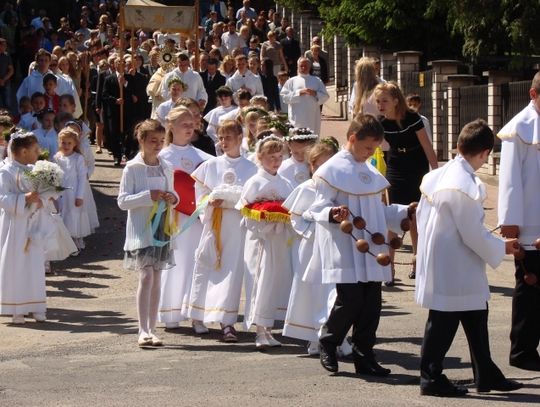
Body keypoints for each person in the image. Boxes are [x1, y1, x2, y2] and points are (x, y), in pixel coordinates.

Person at [416, 119, 522, 396]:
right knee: (443, 319)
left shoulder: (441, 174)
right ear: (485, 153)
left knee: (476, 312)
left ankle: (486, 373)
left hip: (450, 258)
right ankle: (430, 377)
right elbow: (472, 233)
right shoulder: (464, 183)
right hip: (456, 262)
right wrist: (502, 247)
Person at [312, 114, 410, 376]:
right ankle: (329, 341)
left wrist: (404, 212)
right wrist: (333, 213)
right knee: (350, 301)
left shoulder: (369, 171)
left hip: (372, 249)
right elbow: (317, 208)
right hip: (347, 245)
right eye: (367, 147)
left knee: (371, 306)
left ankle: (365, 356)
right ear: (353, 138)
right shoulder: (330, 171)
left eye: (374, 148)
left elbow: (378, 211)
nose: (370, 153)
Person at [188, 120, 257, 342]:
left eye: (228, 137)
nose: (224, 142)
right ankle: (198, 315)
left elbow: (253, 197)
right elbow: (200, 192)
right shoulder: (211, 165)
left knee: (232, 272)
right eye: (221, 137)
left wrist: (235, 201)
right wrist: (209, 203)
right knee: (206, 265)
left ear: (239, 138)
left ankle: (227, 322)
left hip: (237, 226)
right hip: (214, 222)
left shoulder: (251, 168)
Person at [118, 119, 178, 347]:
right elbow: (123, 201)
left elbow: (173, 194)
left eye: (161, 141)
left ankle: (152, 329)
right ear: (141, 140)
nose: (158, 145)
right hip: (141, 230)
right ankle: (142, 329)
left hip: (162, 228)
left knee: (157, 277)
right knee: (146, 276)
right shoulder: (132, 168)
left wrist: (172, 198)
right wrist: (148, 196)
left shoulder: (166, 166)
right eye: (153, 140)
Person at [498, 71, 540, 372]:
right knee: (530, 285)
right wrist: (510, 222)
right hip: (529, 221)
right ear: (533, 95)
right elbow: (509, 179)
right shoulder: (519, 129)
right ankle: (522, 350)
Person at [282, 137, 341, 355]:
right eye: (317, 165)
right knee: (313, 291)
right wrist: (313, 226)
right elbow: (296, 218)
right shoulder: (306, 189)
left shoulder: (340, 189)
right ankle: (314, 337)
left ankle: (337, 337)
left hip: (335, 248)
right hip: (311, 248)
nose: (321, 170)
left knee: (335, 292)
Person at [374, 82, 438, 281]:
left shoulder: (412, 118)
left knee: (415, 217)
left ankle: (416, 262)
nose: (380, 105)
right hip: (395, 165)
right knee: (393, 215)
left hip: (416, 165)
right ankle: (389, 267)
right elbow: (372, 146)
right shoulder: (380, 122)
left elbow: (427, 146)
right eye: (378, 101)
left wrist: (437, 175)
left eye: (384, 101)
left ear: (396, 101)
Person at [158, 106, 213, 330]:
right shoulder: (161, 156)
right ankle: (170, 311)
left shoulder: (204, 157)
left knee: (197, 263)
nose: (189, 129)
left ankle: (197, 314)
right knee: (174, 262)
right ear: (171, 126)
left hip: (196, 219)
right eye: (184, 125)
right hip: (172, 218)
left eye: (192, 124)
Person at [237, 135, 294, 348]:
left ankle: (269, 329)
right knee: (261, 280)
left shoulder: (285, 182)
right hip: (261, 238)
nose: (276, 161)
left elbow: (290, 207)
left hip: (279, 238)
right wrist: (264, 218)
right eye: (271, 157)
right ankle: (259, 331)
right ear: (260, 157)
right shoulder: (255, 182)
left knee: (275, 281)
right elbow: (245, 210)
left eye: (279, 157)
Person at [0, 132, 47, 324]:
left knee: (34, 264)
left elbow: (42, 195)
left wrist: (44, 199)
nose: (38, 153)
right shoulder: (6, 172)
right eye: (35, 150)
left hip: (32, 223)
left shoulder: (33, 170)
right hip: (15, 225)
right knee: (16, 264)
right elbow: (2, 198)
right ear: (24, 151)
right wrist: (24, 198)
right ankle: (17, 309)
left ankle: (36, 306)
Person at [54, 128, 91, 254]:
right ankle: (65, 243)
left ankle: (75, 241)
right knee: (62, 215)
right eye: (63, 143)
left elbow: (82, 178)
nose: (66, 146)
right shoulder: (57, 157)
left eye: (69, 143)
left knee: (73, 216)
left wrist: (79, 196)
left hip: (73, 193)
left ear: (75, 143)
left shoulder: (78, 158)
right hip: (61, 193)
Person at [280, 57, 329, 135]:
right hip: (297, 117)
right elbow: (284, 97)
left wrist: (315, 93)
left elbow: (325, 96)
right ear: (298, 67)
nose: (303, 68)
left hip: (312, 116)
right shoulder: (291, 81)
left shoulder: (317, 80)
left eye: (305, 66)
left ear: (309, 67)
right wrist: (298, 93)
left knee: (312, 137)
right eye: (301, 66)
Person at [0, 38, 14, 112]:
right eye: (4, 45)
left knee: (7, 104)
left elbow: (11, 70)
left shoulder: (7, 55)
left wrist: (3, 80)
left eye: (6, 45)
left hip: (6, 83)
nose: (5, 47)